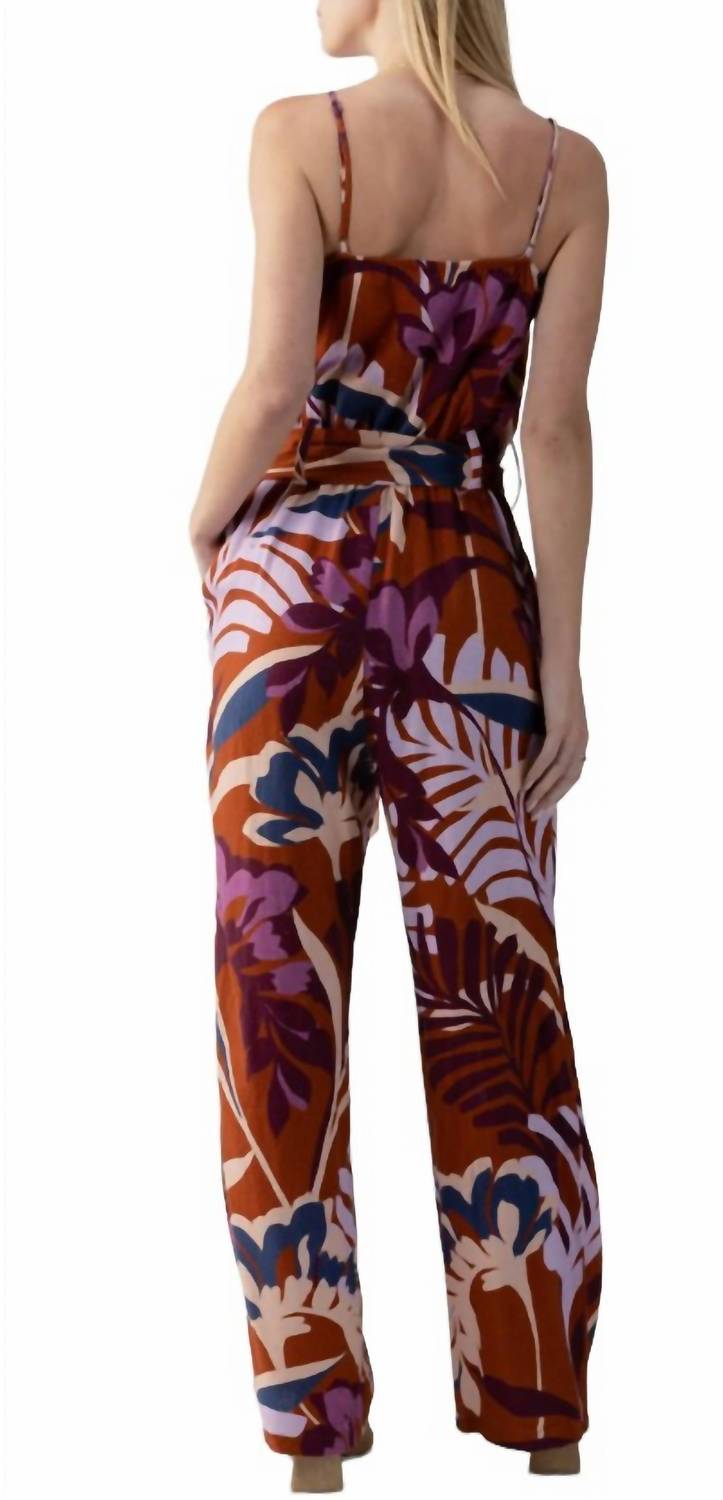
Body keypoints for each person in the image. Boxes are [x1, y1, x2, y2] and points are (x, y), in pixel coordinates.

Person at [188, 0, 607, 1491]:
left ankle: (314, 1437)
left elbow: (273, 388)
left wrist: (203, 526)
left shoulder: (302, 138)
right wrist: (561, 664)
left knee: (273, 981)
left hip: (292, 580)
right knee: (501, 996)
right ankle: (543, 1422)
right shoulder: (563, 170)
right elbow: (553, 432)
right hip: (471, 590)